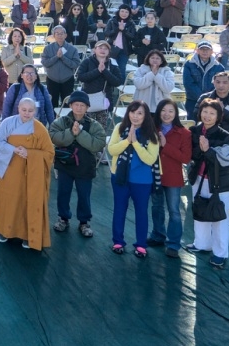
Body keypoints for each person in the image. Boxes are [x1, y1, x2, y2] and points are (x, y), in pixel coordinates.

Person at [0, 97, 55, 250]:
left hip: (31, 174)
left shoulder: (40, 129)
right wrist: (13, 149)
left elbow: (49, 153)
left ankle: (28, 234)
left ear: (35, 111)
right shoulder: (7, 123)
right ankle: (5, 231)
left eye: (30, 110)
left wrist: (30, 154)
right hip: (9, 169)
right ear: (18, 109)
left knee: (27, 201)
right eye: (24, 110)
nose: (27, 113)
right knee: (8, 200)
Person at [107, 101, 160, 258]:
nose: (135, 116)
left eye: (139, 113)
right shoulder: (119, 128)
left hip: (142, 181)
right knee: (119, 209)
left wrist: (135, 143)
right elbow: (111, 149)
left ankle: (141, 245)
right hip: (120, 177)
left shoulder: (152, 135)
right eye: (132, 112)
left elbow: (150, 159)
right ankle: (118, 241)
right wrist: (127, 141)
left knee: (141, 212)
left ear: (146, 116)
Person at [188, 99, 229, 270]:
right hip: (198, 179)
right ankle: (201, 244)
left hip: (219, 184)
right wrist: (200, 150)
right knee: (200, 212)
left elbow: (227, 162)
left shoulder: (225, 136)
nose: (207, 116)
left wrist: (208, 150)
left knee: (219, 218)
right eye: (205, 112)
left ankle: (220, 253)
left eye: (212, 113)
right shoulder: (194, 131)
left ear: (218, 117)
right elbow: (190, 154)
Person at [49, 93, 107, 239]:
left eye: (82, 105)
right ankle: (63, 218)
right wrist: (70, 133)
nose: (79, 108)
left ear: (87, 107)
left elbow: (98, 144)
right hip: (65, 165)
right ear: (70, 105)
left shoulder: (94, 125)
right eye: (76, 104)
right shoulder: (61, 122)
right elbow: (53, 136)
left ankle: (84, 222)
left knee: (84, 195)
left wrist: (80, 134)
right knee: (63, 192)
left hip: (85, 166)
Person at [151, 99, 192, 254]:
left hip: (173, 177)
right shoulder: (152, 129)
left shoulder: (184, 133)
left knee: (174, 210)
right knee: (156, 207)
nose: (166, 114)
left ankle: (173, 243)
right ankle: (158, 235)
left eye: (170, 111)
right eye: (163, 110)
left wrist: (165, 145)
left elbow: (185, 158)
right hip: (155, 174)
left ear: (176, 114)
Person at [183, 42, 225, 119]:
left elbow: (219, 85)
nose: (205, 51)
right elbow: (188, 84)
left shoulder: (219, 67)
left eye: (207, 49)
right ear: (197, 51)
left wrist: (208, 98)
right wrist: (203, 98)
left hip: (212, 101)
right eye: (202, 49)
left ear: (212, 51)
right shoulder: (188, 64)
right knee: (193, 126)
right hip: (192, 101)